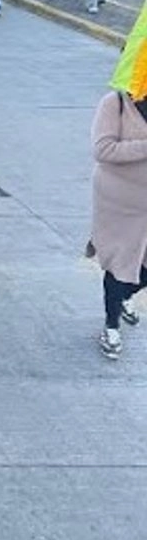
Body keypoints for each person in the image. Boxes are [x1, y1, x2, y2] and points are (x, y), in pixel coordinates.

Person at [90, 87, 147, 359]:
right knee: (120, 262)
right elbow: (103, 149)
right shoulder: (115, 103)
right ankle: (111, 326)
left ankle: (126, 295)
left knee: (140, 268)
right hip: (119, 200)